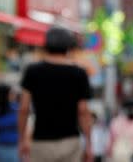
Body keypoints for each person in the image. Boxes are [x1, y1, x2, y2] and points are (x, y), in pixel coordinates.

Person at [19, 26, 93, 162]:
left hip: (41, 142)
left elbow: (24, 108)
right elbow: (83, 111)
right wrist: (89, 144)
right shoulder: (79, 74)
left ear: (46, 46)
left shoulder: (32, 71)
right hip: (70, 142)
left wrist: (22, 139)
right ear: (68, 47)